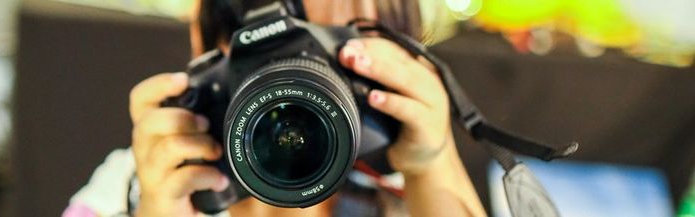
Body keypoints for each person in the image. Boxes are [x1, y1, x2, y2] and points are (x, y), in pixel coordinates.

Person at [64, 0, 486, 216]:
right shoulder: (144, 181)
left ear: (405, 51)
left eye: (342, 46)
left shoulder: (410, 188)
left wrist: (433, 164)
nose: (301, 85)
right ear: (205, 45)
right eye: (275, 53)